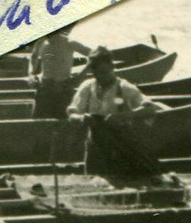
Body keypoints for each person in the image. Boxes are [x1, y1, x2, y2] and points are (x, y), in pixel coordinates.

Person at [67, 46, 162, 182]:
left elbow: (150, 109)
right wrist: (82, 118)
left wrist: (123, 116)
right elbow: (71, 113)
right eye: (97, 73)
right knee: (94, 181)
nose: (102, 76)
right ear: (93, 71)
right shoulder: (87, 87)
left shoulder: (124, 87)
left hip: (120, 146)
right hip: (95, 146)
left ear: (112, 67)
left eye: (105, 72)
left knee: (121, 181)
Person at [29, 23, 92, 119]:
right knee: (38, 122)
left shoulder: (69, 42)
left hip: (63, 88)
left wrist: (80, 76)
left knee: (64, 121)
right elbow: (33, 57)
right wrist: (31, 74)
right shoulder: (40, 43)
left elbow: (95, 55)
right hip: (44, 89)